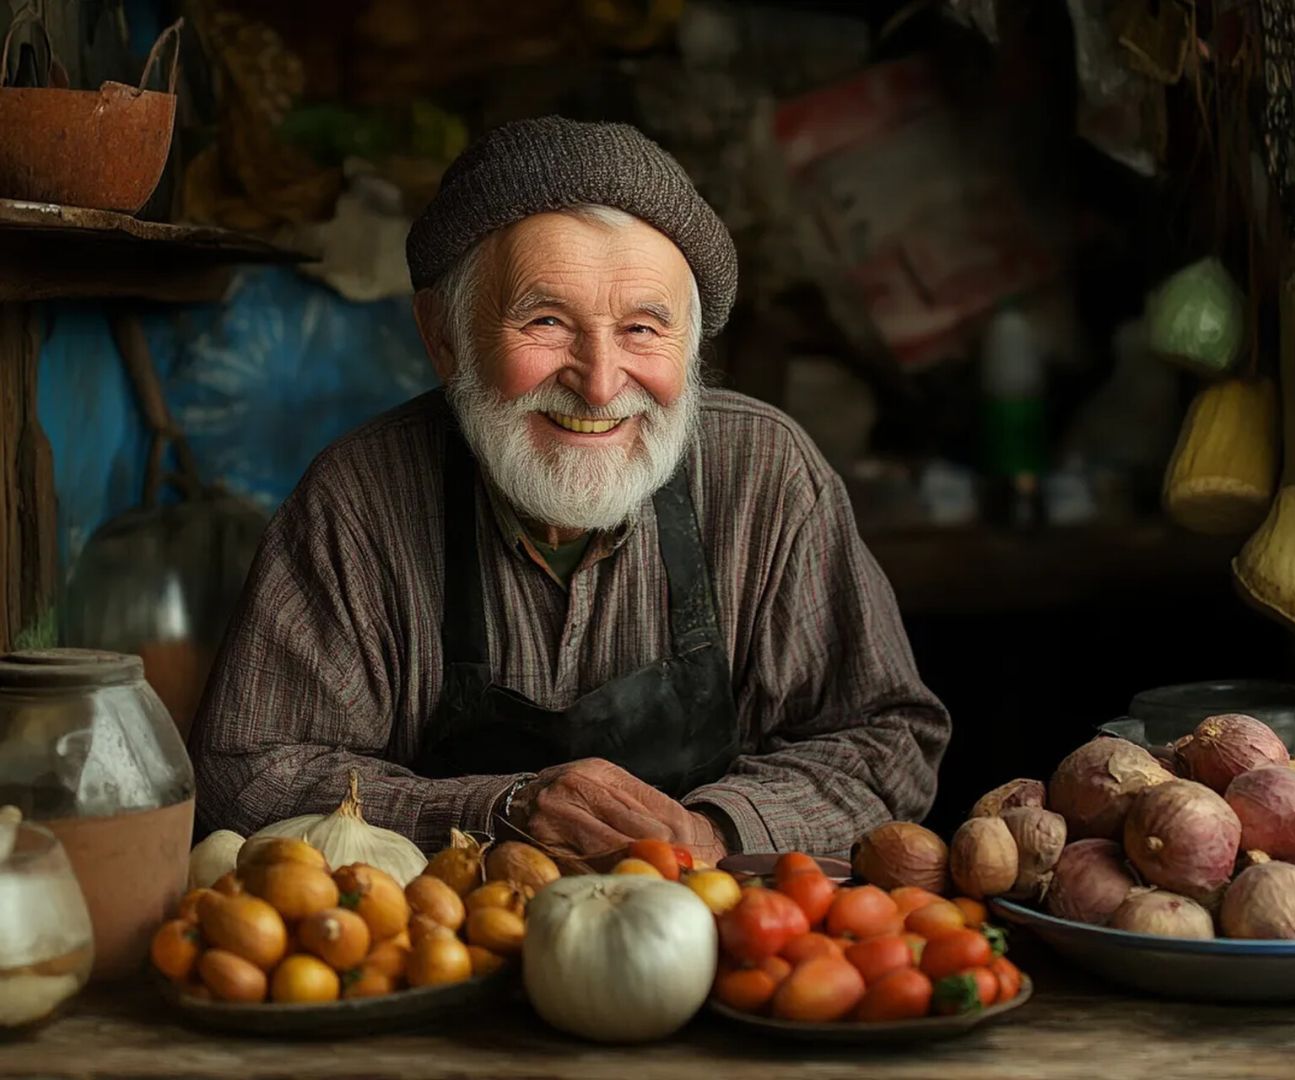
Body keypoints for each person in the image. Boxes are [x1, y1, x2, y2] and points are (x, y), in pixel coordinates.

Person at [187, 116, 950, 864]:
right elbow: (243, 774)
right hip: (444, 956)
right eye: (547, 320)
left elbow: (886, 741)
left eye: (643, 330)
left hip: (720, 950)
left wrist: (715, 833)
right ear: (444, 337)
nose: (599, 383)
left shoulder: (768, 474)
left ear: (692, 348)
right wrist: (499, 812)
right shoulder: (359, 501)